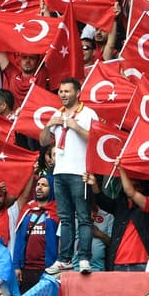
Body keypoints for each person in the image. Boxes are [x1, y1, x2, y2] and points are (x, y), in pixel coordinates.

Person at [40, 78, 98, 275]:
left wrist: (76, 127)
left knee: (83, 218)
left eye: (67, 91)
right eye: (61, 91)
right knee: (65, 218)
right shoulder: (57, 113)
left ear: (78, 93)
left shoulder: (88, 113)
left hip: (79, 172)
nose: (63, 94)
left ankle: (84, 258)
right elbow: (43, 141)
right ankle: (64, 259)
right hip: (60, 172)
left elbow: (94, 139)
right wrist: (48, 125)